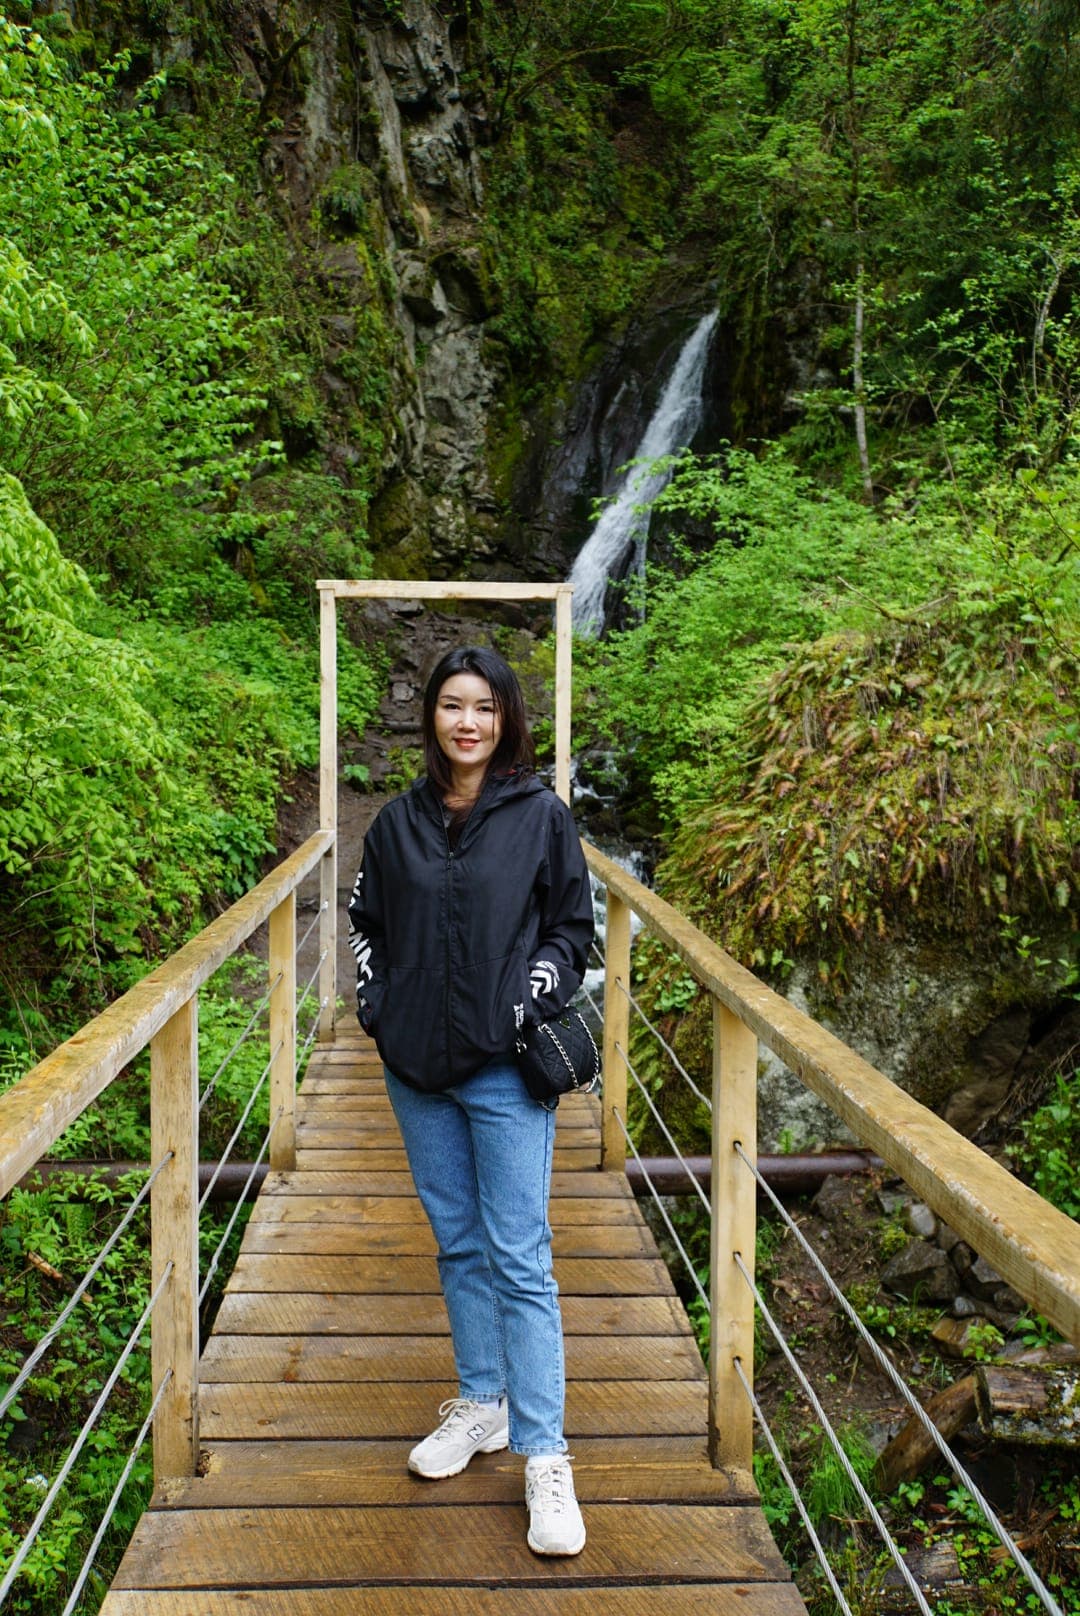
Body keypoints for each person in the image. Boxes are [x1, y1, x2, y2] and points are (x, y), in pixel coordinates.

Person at [346, 645, 595, 1557]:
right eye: (453, 706)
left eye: (484, 708)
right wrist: (375, 1003)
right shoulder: (394, 825)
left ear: (507, 718)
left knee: (520, 1253)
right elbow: (364, 920)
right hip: (415, 1067)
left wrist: (529, 990)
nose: (468, 722)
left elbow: (574, 927)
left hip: (504, 1062)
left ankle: (545, 1456)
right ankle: (482, 1403)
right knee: (457, 1240)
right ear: (433, 719)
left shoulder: (541, 819)